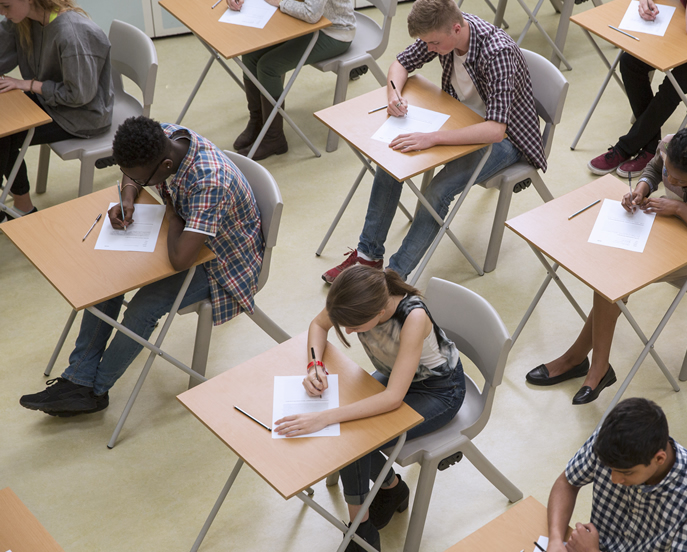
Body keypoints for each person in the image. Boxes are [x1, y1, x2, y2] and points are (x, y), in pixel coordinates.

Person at [19, 116, 263, 416]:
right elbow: (133, 176)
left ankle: (95, 391)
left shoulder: (209, 182)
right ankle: (78, 379)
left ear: (165, 168)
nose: (133, 179)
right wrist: (129, 196)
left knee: (144, 308)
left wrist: (173, 217)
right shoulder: (163, 137)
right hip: (188, 236)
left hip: (224, 263)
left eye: (141, 178)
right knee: (108, 277)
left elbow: (181, 259)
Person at [321, 0, 545, 284]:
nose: (429, 49)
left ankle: (393, 278)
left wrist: (431, 138)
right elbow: (400, 64)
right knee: (391, 161)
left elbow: (495, 130)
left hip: (509, 139)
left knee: (438, 191)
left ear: (456, 28)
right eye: (425, 43)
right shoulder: (440, 35)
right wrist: (393, 95)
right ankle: (368, 257)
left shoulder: (496, 51)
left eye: (434, 44)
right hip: (458, 120)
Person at [528, 121, 687, 404]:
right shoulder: (669, 145)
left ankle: (584, 363)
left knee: (616, 278)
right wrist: (641, 188)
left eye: (680, 182)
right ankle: (585, 363)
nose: (672, 183)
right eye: (671, 176)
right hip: (666, 227)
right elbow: (654, 169)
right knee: (612, 274)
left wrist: (681, 209)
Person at [275, 265, 466, 551]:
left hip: (439, 391)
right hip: (397, 377)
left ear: (379, 313)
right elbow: (318, 325)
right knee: (347, 431)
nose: (349, 331)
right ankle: (389, 490)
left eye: (355, 326)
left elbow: (392, 399)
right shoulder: (359, 296)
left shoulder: (413, 317)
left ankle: (361, 531)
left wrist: (323, 418)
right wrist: (315, 364)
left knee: (354, 439)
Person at [587, 0, 687, 179]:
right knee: (630, 62)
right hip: (683, 23)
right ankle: (652, 147)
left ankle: (625, 147)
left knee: (675, 83)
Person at [546, 398, 687, 552]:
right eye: (610, 469)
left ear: (659, 458)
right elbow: (566, 483)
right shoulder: (608, 441)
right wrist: (555, 540)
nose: (614, 479)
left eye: (626, 472)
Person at [0, 0, 113, 218]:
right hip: (50, 101)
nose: (2, 13)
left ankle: (20, 209)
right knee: (5, 127)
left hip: (82, 115)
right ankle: (23, 208)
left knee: (6, 134)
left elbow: (80, 95)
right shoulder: (22, 20)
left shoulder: (73, 33)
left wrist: (29, 84)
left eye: (5, 6)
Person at [226, 0, 355, 160]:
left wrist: (280, 3)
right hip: (301, 23)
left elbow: (311, 13)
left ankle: (274, 138)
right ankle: (258, 121)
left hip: (333, 30)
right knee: (250, 55)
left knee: (268, 67)